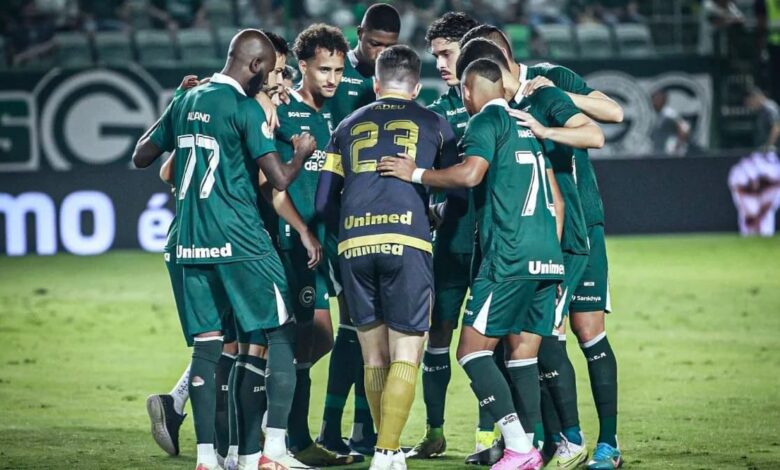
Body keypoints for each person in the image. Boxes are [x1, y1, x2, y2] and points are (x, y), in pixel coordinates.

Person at [132, 29, 319, 470]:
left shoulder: (185, 100)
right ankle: (269, 452)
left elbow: (143, 156)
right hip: (242, 242)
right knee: (279, 334)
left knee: (208, 347)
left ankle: (208, 459)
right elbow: (279, 179)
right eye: (269, 70)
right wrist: (302, 153)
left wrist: (173, 108)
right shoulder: (243, 107)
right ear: (255, 67)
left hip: (191, 244)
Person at [377, 57, 566, 470]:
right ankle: (529, 450)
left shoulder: (485, 123)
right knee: (522, 357)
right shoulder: (525, 124)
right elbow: (556, 196)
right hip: (547, 260)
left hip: (509, 257)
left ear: (468, 90)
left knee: (471, 351)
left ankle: (518, 447)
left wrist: (416, 174)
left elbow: (469, 174)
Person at [459, 25, 624, 470]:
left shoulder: (546, 85)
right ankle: (544, 440)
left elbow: (605, 123)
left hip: (577, 230)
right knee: (529, 339)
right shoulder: (500, 111)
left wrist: (553, 117)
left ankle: (600, 443)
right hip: (541, 237)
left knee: (583, 332)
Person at [315, 45, 460, 470]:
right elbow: (459, 188)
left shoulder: (344, 125)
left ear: (376, 85)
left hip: (353, 245)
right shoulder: (435, 122)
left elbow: (324, 201)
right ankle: (385, 452)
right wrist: (433, 213)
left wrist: (352, 230)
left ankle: (388, 448)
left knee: (373, 357)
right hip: (407, 243)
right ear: (416, 86)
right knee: (406, 354)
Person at [317, 3, 401, 458]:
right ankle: (331, 428)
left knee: (369, 328)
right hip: (333, 218)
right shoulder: (335, 73)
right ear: (359, 35)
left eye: (388, 47)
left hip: (373, 220)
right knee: (350, 328)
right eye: (373, 44)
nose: (379, 53)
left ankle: (362, 429)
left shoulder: (393, 84)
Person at [271, 23, 355, 466]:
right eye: (324, 69)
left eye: (338, 70)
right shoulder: (283, 112)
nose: (332, 78)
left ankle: (288, 437)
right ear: (301, 66)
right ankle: (289, 441)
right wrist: (300, 229)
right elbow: (272, 182)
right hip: (292, 242)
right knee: (306, 337)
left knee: (313, 339)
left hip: (319, 244)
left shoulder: (329, 114)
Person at [405, 11, 486, 462]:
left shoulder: (498, 103)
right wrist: (432, 208)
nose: (438, 63)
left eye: (446, 53)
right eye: (434, 54)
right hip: (452, 239)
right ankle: (434, 431)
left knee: (490, 339)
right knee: (437, 333)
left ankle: (488, 437)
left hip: (494, 239)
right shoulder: (437, 113)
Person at [650, 89, 691, 157]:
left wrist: (678, 145)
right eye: (653, 99)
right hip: (659, 154)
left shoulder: (669, 113)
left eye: (657, 99)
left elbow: (685, 128)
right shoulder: (655, 115)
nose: (654, 102)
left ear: (664, 100)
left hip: (670, 154)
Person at [745, 86, 780, 151]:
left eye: (750, 102)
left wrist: (769, 145)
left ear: (755, 98)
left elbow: (776, 127)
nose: (750, 105)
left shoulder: (769, 108)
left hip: (773, 150)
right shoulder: (761, 110)